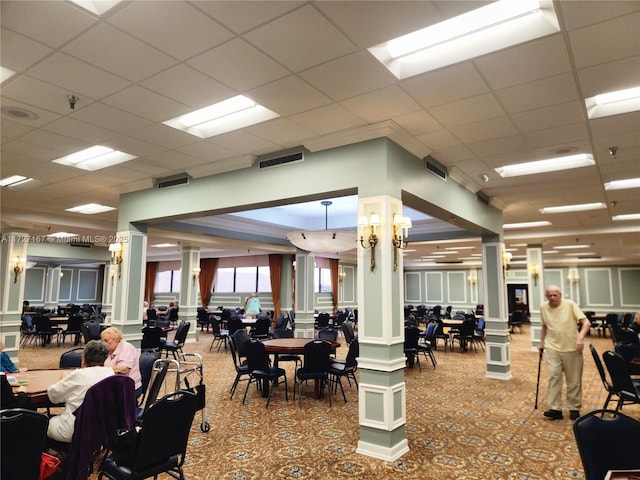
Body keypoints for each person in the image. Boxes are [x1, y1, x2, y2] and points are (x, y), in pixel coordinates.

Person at [538, 285, 590, 421]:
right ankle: (555, 409)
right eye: (549, 295)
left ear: (560, 295)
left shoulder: (570, 304)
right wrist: (541, 342)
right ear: (546, 296)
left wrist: (580, 338)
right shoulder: (544, 307)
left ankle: (574, 408)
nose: (552, 297)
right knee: (554, 376)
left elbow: (586, 323)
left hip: (572, 348)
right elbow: (544, 326)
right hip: (552, 347)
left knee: (574, 380)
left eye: (555, 295)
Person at [47, 340, 114, 442]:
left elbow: (53, 396)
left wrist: (63, 380)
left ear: (83, 359)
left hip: (74, 429)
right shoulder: (110, 373)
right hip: (100, 428)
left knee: (41, 421)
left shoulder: (78, 374)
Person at [101, 327, 143, 398]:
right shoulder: (109, 350)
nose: (104, 343)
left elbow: (124, 369)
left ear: (116, 340)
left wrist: (102, 369)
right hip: (115, 385)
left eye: (106, 340)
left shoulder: (126, 348)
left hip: (129, 388)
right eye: (103, 341)